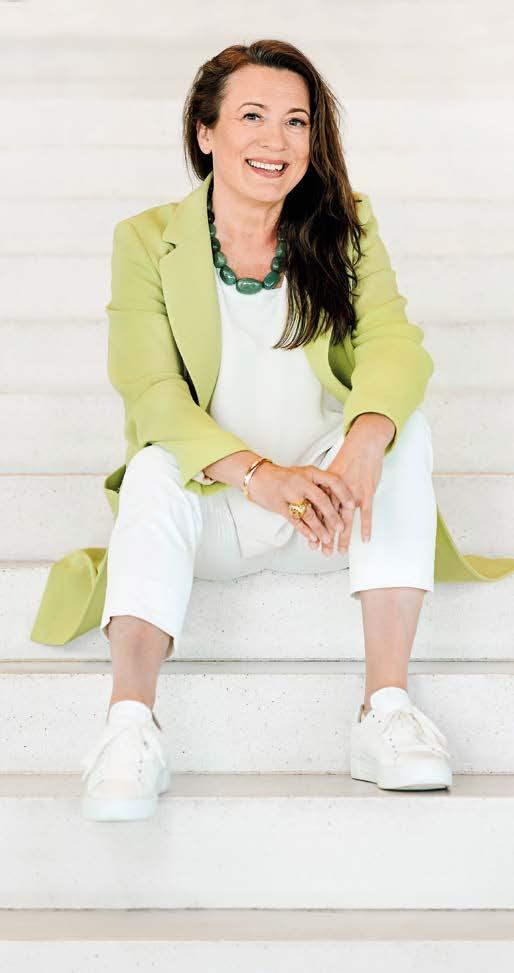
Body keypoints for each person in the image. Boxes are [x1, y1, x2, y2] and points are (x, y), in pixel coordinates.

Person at [33, 40, 512, 822]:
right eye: (252, 116)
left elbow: (393, 340)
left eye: (296, 121)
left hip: (330, 508)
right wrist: (259, 474)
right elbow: (151, 391)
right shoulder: (145, 240)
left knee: (403, 430)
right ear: (205, 132)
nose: (276, 140)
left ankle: (385, 710)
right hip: (217, 508)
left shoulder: (346, 225)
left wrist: (364, 437)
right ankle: (129, 728)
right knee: (153, 468)